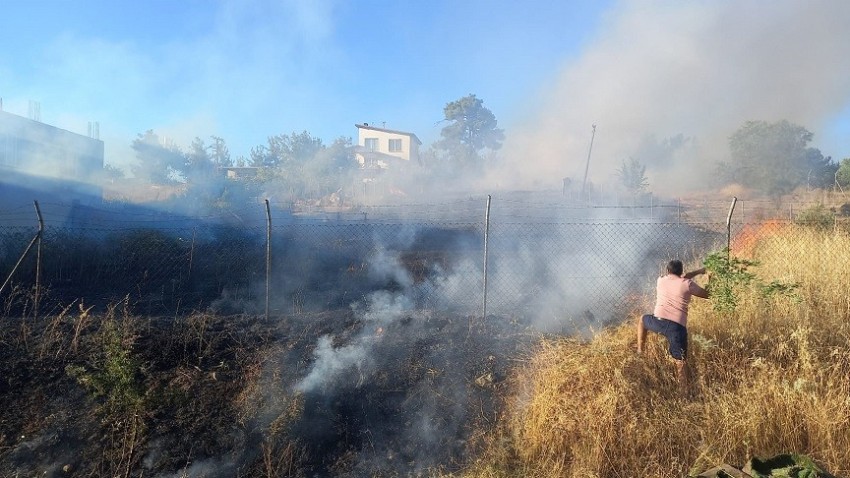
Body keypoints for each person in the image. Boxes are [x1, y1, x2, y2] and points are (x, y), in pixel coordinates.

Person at [636, 259, 709, 389]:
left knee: (642, 319)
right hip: (676, 328)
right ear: (681, 271)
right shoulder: (687, 284)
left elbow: (681, 278)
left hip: (657, 322)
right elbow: (708, 294)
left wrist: (698, 271)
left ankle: (640, 351)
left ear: (667, 271)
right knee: (680, 363)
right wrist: (709, 278)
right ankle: (683, 394)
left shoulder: (661, 280)